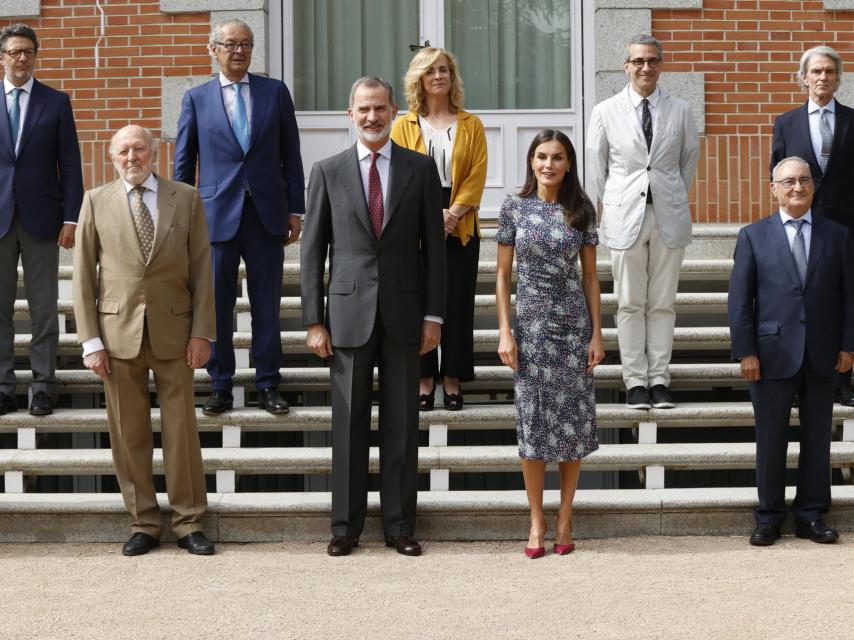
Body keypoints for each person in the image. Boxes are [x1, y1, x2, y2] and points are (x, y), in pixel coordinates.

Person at [300, 77, 445, 557]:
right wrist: (313, 320)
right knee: (348, 427)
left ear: (394, 111)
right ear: (350, 114)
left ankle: (401, 526)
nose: (372, 117)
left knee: (402, 426)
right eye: (363, 109)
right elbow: (312, 251)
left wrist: (433, 316)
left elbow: (435, 254)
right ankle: (345, 528)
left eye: (380, 108)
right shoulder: (327, 170)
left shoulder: (421, 170)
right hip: (346, 314)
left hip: (405, 315)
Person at [72, 125, 216, 556]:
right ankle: (144, 523)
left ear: (155, 154)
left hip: (175, 331)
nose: (131, 157)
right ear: (112, 158)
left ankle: (189, 522)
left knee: (181, 433)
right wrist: (90, 342)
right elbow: (82, 277)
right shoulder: (95, 201)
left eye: (139, 149)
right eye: (122, 152)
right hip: (117, 338)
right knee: (128, 433)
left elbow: (201, 270)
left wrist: (202, 331)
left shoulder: (185, 198)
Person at [173, 18, 304, 416]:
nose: (238, 51)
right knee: (215, 305)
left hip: (266, 215)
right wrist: (182, 220)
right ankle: (219, 383)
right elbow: (183, 165)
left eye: (245, 44)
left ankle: (268, 382)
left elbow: (291, 156)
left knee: (267, 303)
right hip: (213, 218)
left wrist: (295, 209)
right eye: (230, 44)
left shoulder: (274, 92)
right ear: (213, 49)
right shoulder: (196, 99)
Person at [728, 156, 854, 547]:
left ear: (813, 187)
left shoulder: (839, 235)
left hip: (822, 353)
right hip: (769, 355)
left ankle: (811, 515)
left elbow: (849, 297)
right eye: (788, 182)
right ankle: (768, 517)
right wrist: (745, 351)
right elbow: (739, 300)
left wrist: (849, 346)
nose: (796, 187)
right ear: (773, 189)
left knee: (817, 438)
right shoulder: (752, 236)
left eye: (804, 180)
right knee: (771, 439)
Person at [496, 130, 604, 559]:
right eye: (541, 156)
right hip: (530, 329)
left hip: (572, 326)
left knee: (572, 425)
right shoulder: (514, 208)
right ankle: (536, 519)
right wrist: (504, 331)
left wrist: (597, 333)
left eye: (557, 157)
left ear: (569, 163)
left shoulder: (581, 209)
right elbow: (503, 278)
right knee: (533, 426)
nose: (549, 164)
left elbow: (592, 278)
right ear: (531, 161)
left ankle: (564, 516)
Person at [586, 34, 699, 411]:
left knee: (663, 303)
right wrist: (613, 203)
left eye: (652, 61)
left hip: (668, 212)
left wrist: (667, 193)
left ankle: (660, 380)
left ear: (660, 65)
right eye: (638, 61)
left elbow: (688, 162)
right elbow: (597, 168)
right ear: (626, 65)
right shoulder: (605, 110)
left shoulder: (680, 109)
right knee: (631, 302)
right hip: (623, 216)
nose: (645, 67)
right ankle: (635, 382)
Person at [390, 46, 487, 412]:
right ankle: (424, 378)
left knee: (458, 304)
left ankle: (453, 378)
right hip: (415, 224)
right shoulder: (403, 125)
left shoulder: (471, 124)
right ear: (420, 78)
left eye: (445, 69)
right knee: (419, 303)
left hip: (459, 224)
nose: (439, 76)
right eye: (431, 71)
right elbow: (399, 176)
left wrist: (450, 214)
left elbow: (476, 175)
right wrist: (430, 218)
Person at [0, 23, 83, 416]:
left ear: (35, 56)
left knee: (43, 308)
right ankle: (3, 387)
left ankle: (43, 386)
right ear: (3, 57)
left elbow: (70, 164)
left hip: (42, 218)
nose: (21, 58)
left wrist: (71, 218)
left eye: (28, 52)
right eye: (14, 52)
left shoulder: (56, 102)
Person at [770, 45, 854, 407]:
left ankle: (842, 379)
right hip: (801, 224)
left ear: (838, 78)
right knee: (800, 297)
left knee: (843, 297)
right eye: (816, 72)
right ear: (803, 78)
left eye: (829, 72)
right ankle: (796, 375)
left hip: (846, 227)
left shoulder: (853, 120)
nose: (823, 78)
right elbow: (776, 177)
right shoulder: (786, 123)